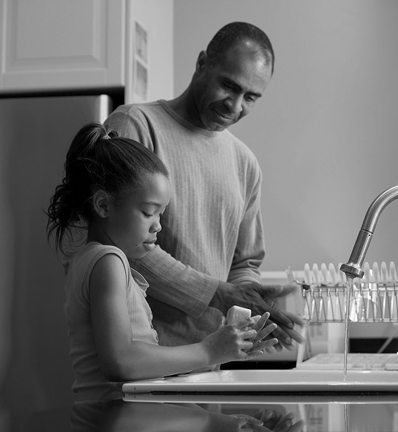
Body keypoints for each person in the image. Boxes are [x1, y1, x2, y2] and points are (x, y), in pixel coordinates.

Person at [104, 21, 304, 349]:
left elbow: (245, 262)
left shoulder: (245, 163)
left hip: (210, 359)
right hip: (140, 356)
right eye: (229, 85)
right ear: (201, 64)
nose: (235, 106)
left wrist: (248, 308)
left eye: (251, 97)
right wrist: (217, 293)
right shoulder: (135, 126)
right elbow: (119, 242)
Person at [46, 122, 278, 401]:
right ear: (103, 205)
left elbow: (137, 362)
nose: (158, 226)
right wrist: (209, 350)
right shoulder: (109, 262)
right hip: (111, 420)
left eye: (161, 214)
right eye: (148, 212)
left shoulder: (91, 260)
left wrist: (227, 349)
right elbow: (120, 361)